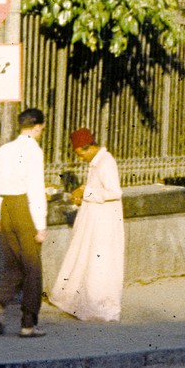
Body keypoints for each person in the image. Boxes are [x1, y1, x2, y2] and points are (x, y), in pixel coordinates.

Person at [49, 127, 125, 322]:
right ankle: (77, 299)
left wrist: (86, 192)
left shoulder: (106, 162)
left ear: (88, 148)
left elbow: (114, 192)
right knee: (86, 258)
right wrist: (83, 196)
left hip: (104, 222)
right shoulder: (96, 162)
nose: (80, 158)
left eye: (80, 154)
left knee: (99, 262)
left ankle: (98, 304)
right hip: (94, 220)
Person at [0, 107, 50, 336]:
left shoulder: (6, 149)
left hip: (6, 207)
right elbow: (35, 188)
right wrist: (40, 224)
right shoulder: (34, 151)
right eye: (41, 128)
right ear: (37, 127)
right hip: (24, 208)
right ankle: (28, 324)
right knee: (32, 268)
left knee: (14, 265)